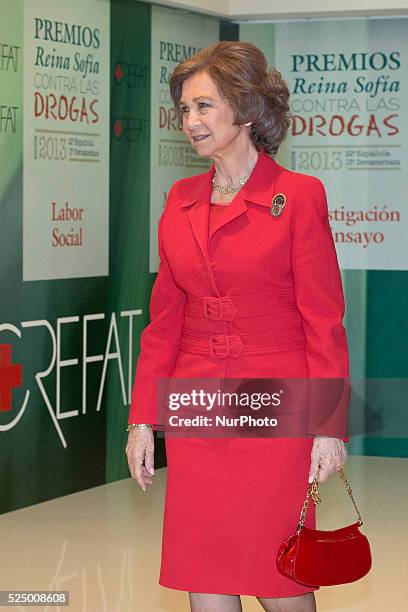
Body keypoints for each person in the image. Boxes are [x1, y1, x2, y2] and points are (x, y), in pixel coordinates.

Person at [126, 41, 349, 612]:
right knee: (206, 566)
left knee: (278, 575)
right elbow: (164, 321)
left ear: (246, 110)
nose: (190, 122)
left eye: (203, 106)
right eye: (183, 110)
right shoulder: (179, 199)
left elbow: (323, 319)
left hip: (277, 408)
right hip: (198, 404)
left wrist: (329, 426)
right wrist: (143, 419)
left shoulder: (299, 197)